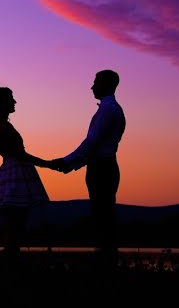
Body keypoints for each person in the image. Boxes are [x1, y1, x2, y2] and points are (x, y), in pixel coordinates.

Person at [49, 70, 126, 269]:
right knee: (102, 215)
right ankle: (107, 261)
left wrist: (67, 161)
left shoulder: (108, 110)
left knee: (103, 216)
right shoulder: (110, 109)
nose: (92, 87)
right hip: (101, 166)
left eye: (96, 82)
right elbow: (97, 147)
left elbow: (92, 142)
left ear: (108, 84)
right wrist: (73, 165)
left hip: (102, 169)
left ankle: (107, 264)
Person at [0, 87, 50, 271]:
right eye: (11, 99)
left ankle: (11, 263)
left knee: (17, 224)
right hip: (15, 173)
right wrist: (47, 164)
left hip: (16, 171)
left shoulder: (4, 126)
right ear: (2, 103)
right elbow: (18, 154)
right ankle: (11, 265)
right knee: (14, 224)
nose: (15, 102)